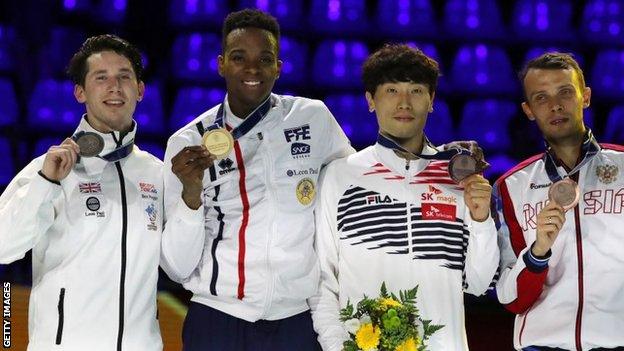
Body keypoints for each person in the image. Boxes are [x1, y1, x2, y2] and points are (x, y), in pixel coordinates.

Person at [160, 8, 354, 351]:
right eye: (239, 57)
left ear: (278, 67)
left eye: (265, 59)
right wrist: (191, 194)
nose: (252, 69)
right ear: (221, 64)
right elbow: (176, 268)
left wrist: (436, 159)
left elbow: (353, 184)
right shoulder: (188, 142)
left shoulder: (313, 118)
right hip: (217, 319)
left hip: (296, 320)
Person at [310, 44, 499, 351]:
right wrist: (337, 346)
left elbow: (479, 283)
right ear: (371, 100)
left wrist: (481, 220)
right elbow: (321, 280)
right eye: (392, 90)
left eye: (416, 91)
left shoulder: (460, 179)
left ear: (432, 100)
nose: (404, 102)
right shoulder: (339, 176)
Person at [0, 35, 163, 350]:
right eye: (101, 78)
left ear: (140, 91)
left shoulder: (156, 174)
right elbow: (3, 246)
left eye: (124, 77)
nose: (114, 86)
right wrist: (46, 184)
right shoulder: (48, 169)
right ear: (80, 92)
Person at [493, 52, 624, 350]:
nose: (555, 106)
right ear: (528, 110)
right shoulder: (510, 188)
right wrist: (538, 252)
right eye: (541, 98)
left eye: (565, 92)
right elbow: (512, 299)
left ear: (585, 96)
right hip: (543, 345)